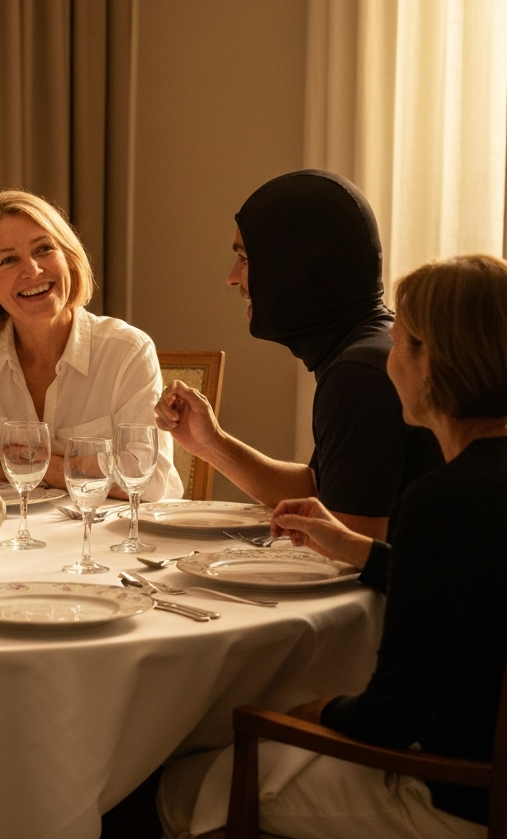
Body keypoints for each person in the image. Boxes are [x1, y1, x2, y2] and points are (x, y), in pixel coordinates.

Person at [157, 254, 507, 839]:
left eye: (399, 343)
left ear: (430, 363)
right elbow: (472, 584)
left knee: (182, 785)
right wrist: (354, 549)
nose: (388, 359)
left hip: (451, 799)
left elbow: (389, 718)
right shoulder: (478, 491)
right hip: (478, 777)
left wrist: (303, 714)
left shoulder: (441, 499)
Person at [156, 170, 441, 539]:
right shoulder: (371, 347)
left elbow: (352, 554)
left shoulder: (359, 374)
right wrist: (211, 444)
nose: (231, 277)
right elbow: (319, 490)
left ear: (293, 266)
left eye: (245, 258)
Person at [0, 189, 183, 501]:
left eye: (43, 249)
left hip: (99, 539)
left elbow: (150, 480)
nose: (32, 270)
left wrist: (39, 468)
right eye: (8, 260)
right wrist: (4, 467)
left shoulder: (127, 352)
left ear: (68, 259)